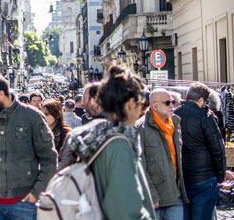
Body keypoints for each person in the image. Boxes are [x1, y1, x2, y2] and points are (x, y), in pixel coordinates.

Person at [68, 66, 155, 219]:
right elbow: (125, 210)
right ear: (130, 103)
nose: (143, 109)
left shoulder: (99, 136)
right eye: (142, 103)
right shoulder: (119, 145)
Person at [0, 74, 57, 220]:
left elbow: (49, 158)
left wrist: (37, 191)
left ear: (1, 94)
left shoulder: (32, 116)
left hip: (24, 201)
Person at [174, 82, 225, 220]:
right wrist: (221, 175)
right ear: (201, 100)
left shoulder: (174, 115)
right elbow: (217, 148)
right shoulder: (205, 116)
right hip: (204, 178)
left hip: (182, 177)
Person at [137, 89, 188, 220]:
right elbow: (139, 167)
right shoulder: (140, 128)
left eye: (172, 102)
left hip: (175, 196)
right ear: (155, 105)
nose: (172, 105)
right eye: (167, 103)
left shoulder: (175, 124)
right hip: (155, 199)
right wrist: (151, 196)